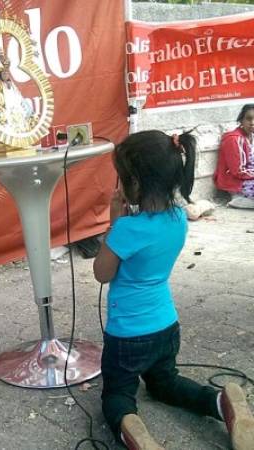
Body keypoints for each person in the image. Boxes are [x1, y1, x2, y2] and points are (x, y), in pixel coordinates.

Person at [93, 130, 254, 450]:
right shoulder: (179, 218)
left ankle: (132, 428)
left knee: (116, 395)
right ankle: (220, 402)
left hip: (127, 336)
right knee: (164, 383)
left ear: (134, 183)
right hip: (166, 327)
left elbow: (102, 273)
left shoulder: (126, 228)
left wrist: (114, 224)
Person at [214, 104, 254, 209]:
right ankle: (238, 200)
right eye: (248, 119)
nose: (252, 123)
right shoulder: (234, 139)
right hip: (237, 181)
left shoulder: (251, 136)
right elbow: (238, 171)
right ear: (241, 120)